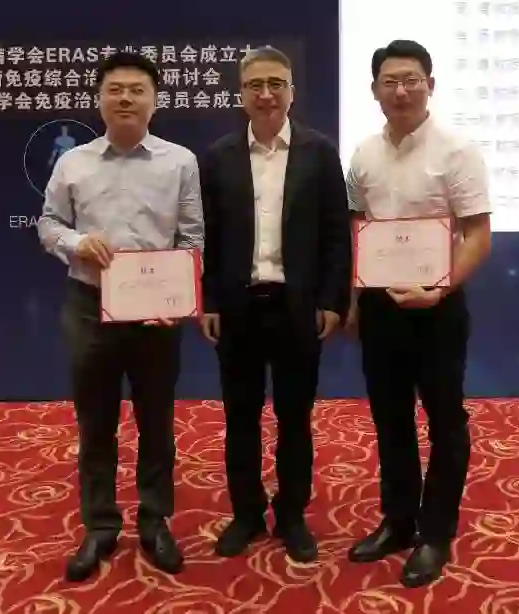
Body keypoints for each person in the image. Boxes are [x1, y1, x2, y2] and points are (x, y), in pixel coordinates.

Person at [37, 51, 203, 582]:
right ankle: (100, 525)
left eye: (136, 90)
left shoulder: (180, 162)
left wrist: (176, 299)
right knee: (95, 421)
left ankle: (156, 521)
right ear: (100, 99)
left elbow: (192, 238)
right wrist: (76, 242)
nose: (125, 98)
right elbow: (48, 224)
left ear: (155, 101)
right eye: (115, 89)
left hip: (156, 311)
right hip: (90, 306)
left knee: (156, 420)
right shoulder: (74, 162)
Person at [345, 39, 492, 587]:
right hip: (381, 307)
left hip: (438, 309)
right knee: (390, 418)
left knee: (445, 420)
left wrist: (440, 287)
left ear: (430, 84)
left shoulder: (458, 151)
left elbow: (478, 235)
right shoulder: (363, 154)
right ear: (375, 89)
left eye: (411, 79)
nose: (401, 90)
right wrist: (354, 301)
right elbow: (357, 231)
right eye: (390, 81)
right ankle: (399, 520)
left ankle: (436, 533)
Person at [199, 46, 353, 563]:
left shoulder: (319, 151)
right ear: (240, 94)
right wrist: (209, 300)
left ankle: (291, 515)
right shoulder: (218, 155)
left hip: (297, 307)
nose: (265, 94)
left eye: (275, 84)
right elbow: (208, 236)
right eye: (254, 85)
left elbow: (336, 234)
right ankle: (246, 513)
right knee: (240, 417)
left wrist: (331, 301)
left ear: (292, 91)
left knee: (294, 418)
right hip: (237, 307)